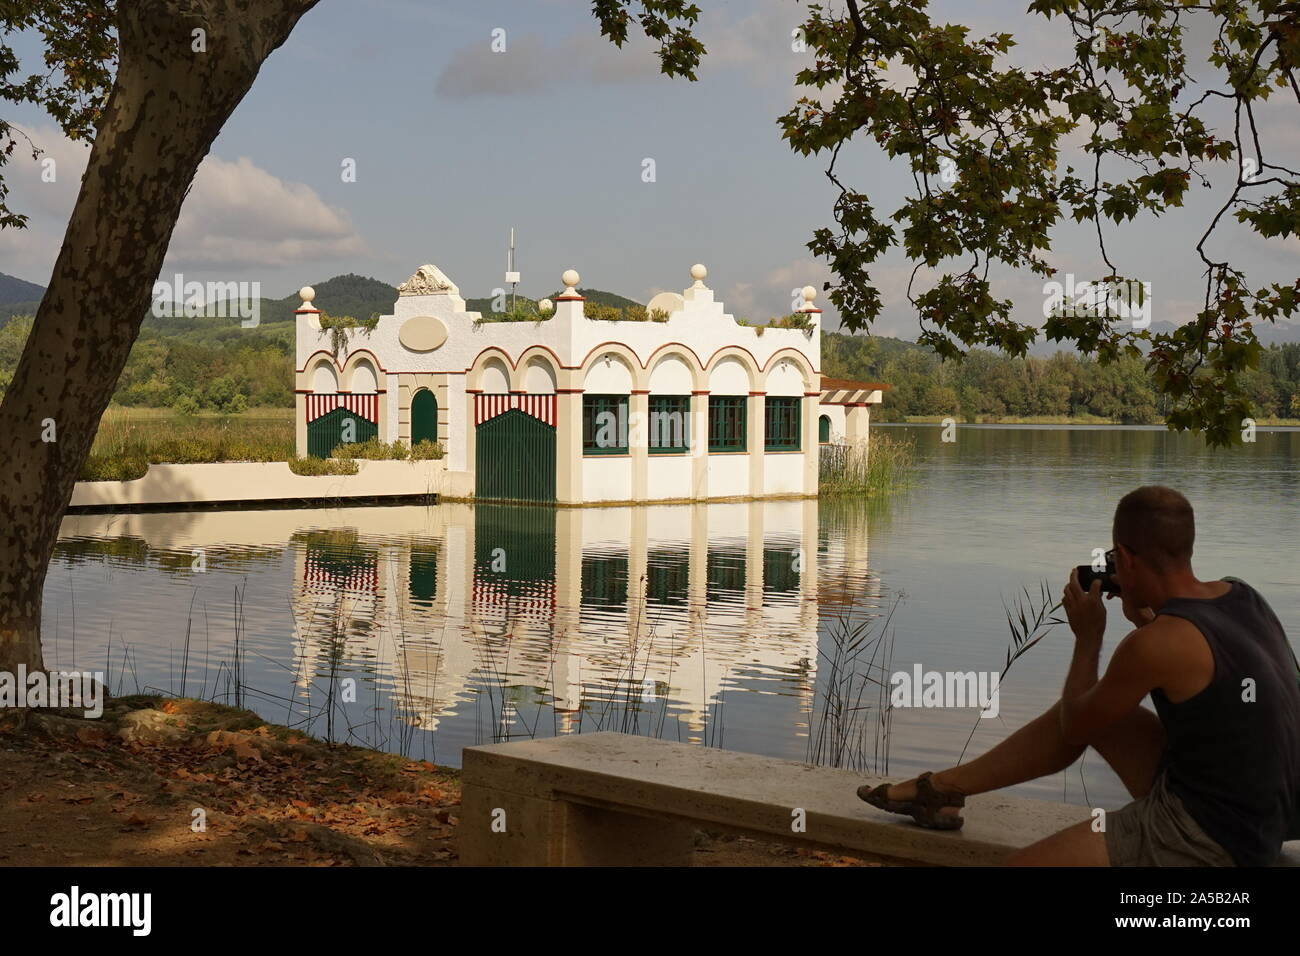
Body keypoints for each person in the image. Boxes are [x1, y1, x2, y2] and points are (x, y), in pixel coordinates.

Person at [858, 485, 1300, 865]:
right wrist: (1148, 622)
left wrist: (1088, 637)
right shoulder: (1243, 596)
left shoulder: (1158, 642)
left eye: (1114, 558)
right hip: (1271, 812)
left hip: (1213, 833)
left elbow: (1076, 726)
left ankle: (939, 789)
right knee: (1110, 709)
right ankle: (941, 789)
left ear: (1124, 557)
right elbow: (1200, 668)